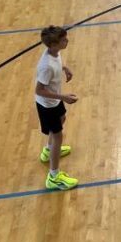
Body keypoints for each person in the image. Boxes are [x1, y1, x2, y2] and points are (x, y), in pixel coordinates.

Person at [35, 25, 79, 190]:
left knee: (62, 118)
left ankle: (48, 150)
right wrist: (64, 97)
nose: (66, 41)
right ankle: (54, 177)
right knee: (58, 135)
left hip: (54, 101)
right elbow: (39, 90)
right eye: (63, 40)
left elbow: (57, 62)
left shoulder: (54, 53)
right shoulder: (46, 66)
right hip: (47, 105)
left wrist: (65, 68)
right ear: (54, 44)